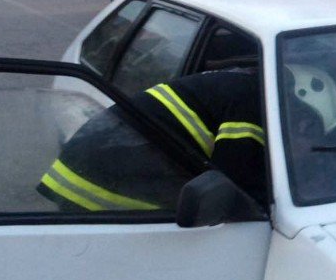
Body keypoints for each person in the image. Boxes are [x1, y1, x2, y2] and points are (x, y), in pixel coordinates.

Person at [38, 68, 267, 212]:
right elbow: (238, 185)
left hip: (88, 166)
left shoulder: (235, 85)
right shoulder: (251, 101)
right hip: (97, 182)